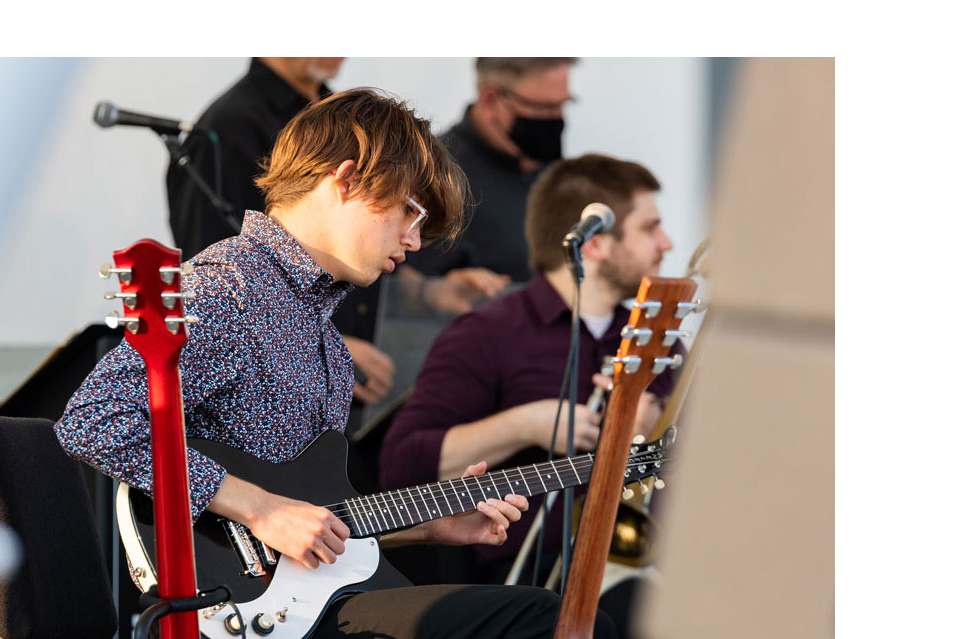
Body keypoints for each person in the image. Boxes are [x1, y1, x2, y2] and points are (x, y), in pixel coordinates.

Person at [57, 89, 617, 639]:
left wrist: (427, 526)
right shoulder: (229, 290)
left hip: (317, 609)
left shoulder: (319, 327)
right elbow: (92, 420)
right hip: (242, 631)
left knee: (567, 628)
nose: (415, 240)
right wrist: (259, 508)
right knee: (555, 624)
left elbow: (316, 511)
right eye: (409, 212)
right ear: (346, 179)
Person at [380, 153, 680, 587]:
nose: (667, 243)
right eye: (650, 228)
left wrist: (649, 428)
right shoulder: (486, 334)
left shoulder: (658, 340)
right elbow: (401, 469)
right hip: (529, 582)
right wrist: (523, 426)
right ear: (594, 244)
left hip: (647, 570)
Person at [165, 57, 393, 424]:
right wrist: (319, 343)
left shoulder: (340, 116)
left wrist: (426, 293)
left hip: (344, 388)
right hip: (268, 405)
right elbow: (209, 263)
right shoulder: (229, 124)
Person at [407, 57, 578, 293]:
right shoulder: (433, 173)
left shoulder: (555, 170)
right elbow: (395, 285)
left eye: (562, 105)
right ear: (490, 100)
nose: (556, 118)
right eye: (543, 108)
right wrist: (433, 292)